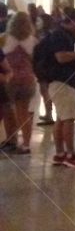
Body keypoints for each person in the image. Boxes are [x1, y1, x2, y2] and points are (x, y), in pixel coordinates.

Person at [41, 8, 75, 167]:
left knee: (61, 118)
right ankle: (70, 154)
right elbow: (61, 57)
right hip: (63, 82)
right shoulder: (60, 36)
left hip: (63, 81)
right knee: (68, 119)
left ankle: (60, 153)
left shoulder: (65, 35)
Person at [2, 11, 37, 153]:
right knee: (24, 113)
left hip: (8, 80)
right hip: (28, 79)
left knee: (7, 111)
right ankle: (26, 144)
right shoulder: (33, 40)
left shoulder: (4, 38)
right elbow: (36, 60)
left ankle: (12, 140)